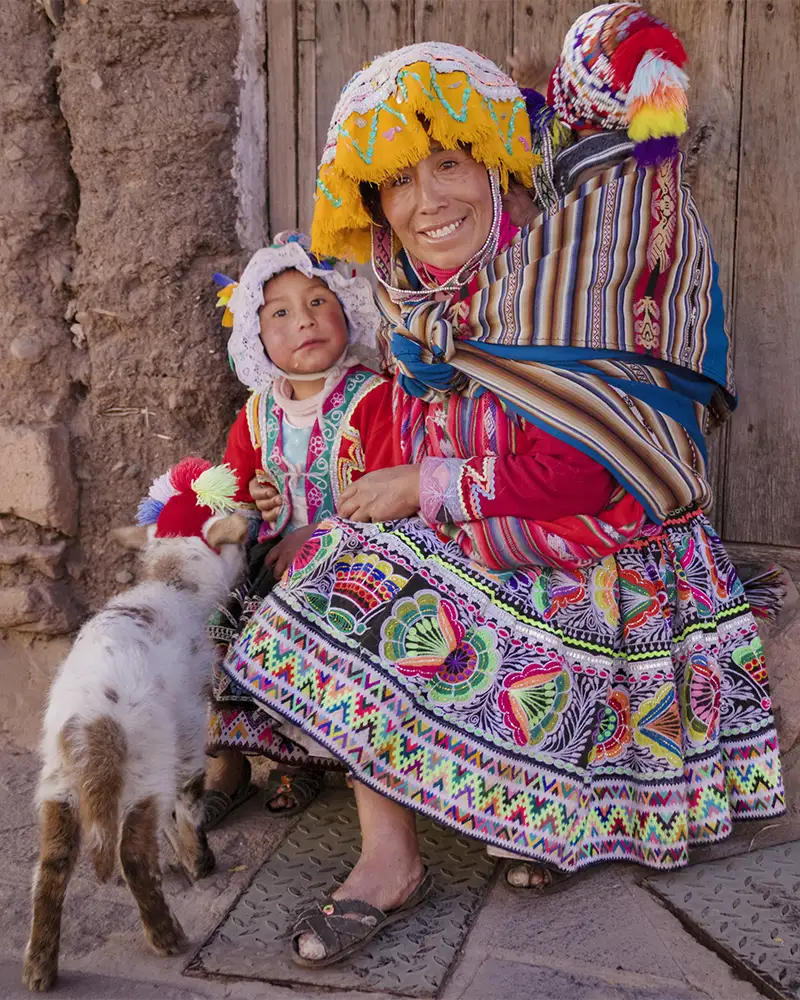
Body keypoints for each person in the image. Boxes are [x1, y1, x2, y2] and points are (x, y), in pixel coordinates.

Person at [222, 38, 784, 966]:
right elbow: (411, 434)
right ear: (374, 206)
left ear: (495, 171)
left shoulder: (561, 283)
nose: (427, 201)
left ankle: (536, 807)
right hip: (471, 523)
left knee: (534, 619)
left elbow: (579, 475)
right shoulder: (412, 298)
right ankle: (386, 860)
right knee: (337, 575)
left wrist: (424, 488)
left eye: (448, 166)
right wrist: (361, 506)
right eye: (398, 183)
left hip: (586, 536)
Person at [202, 231, 393, 827]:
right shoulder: (258, 412)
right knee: (221, 603)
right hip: (275, 561)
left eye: (318, 302)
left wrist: (315, 535)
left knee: (309, 613)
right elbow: (233, 488)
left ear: (346, 312)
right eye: (280, 313)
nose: (304, 321)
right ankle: (227, 761)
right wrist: (251, 502)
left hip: (352, 557)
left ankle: (303, 759)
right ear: (257, 338)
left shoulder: (374, 400)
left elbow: (392, 496)